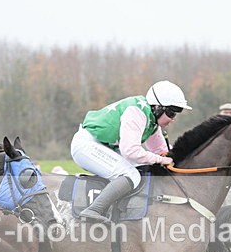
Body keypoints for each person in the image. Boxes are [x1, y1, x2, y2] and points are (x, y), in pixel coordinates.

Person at [70, 80, 191, 223]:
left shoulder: (151, 121)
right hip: (86, 145)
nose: (173, 119)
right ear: (158, 107)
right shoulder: (137, 113)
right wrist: (161, 160)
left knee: (141, 169)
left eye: (177, 113)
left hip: (103, 146)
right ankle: (94, 209)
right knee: (131, 174)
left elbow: (162, 151)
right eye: (171, 113)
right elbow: (131, 151)